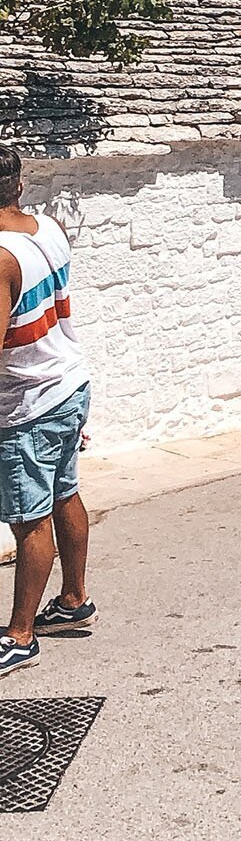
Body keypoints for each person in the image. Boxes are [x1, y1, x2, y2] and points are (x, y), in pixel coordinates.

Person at [0, 144, 95, 677]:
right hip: (67, 382)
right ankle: (74, 601)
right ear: (17, 185)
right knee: (65, 491)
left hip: (25, 402)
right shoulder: (47, 229)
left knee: (27, 520)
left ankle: (20, 635)